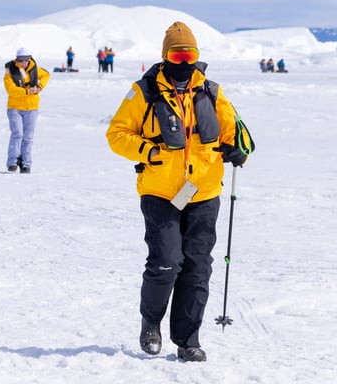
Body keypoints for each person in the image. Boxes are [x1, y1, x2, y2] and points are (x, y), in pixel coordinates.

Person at [106, 21, 253, 362]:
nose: (184, 61)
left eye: (190, 55)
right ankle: (150, 323)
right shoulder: (142, 92)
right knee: (166, 263)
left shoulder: (212, 92)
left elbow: (235, 133)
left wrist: (236, 150)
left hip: (203, 193)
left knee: (198, 267)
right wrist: (149, 152)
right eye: (177, 54)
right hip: (159, 192)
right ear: (165, 56)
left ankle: (188, 340)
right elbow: (117, 134)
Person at [3, 47, 50, 173]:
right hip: (15, 107)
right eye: (20, 60)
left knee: (28, 137)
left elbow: (46, 75)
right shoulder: (10, 71)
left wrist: (40, 87)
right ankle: (12, 161)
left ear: (29, 59)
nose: (22, 62)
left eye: (25, 59)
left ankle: (26, 163)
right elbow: (10, 89)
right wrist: (26, 91)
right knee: (17, 133)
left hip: (31, 107)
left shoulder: (35, 69)